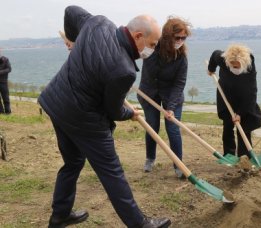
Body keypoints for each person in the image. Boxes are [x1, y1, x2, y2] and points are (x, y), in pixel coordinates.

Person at [38, 6, 171, 228]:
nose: (152, 50)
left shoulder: (98, 23)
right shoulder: (124, 70)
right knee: (111, 171)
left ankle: (60, 215)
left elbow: (71, 10)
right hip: (84, 117)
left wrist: (76, 42)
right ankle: (140, 224)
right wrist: (130, 113)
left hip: (56, 103)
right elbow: (113, 110)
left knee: (73, 162)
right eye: (152, 44)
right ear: (138, 36)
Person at [137, 16, 191, 179]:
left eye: (184, 37)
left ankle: (178, 165)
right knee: (152, 126)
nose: (180, 40)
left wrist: (172, 107)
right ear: (167, 36)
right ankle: (150, 158)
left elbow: (179, 83)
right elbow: (147, 68)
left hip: (171, 96)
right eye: (177, 37)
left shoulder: (181, 58)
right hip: (149, 92)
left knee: (173, 129)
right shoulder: (152, 47)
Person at [207, 44, 261, 158]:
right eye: (233, 66)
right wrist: (211, 69)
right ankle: (229, 154)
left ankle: (244, 156)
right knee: (228, 125)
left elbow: (251, 93)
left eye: (238, 67)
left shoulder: (249, 69)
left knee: (244, 127)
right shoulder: (222, 58)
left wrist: (241, 113)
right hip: (226, 94)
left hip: (243, 97)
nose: (235, 69)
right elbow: (214, 55)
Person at [0, 50, 12, 114]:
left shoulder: (5, 59)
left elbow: (9, 69)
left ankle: (8, 112)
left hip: (3, 82)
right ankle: (1, 112)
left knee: (6, 98)